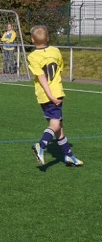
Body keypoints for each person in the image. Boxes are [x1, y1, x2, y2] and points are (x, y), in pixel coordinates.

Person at [29, 25, 83, 167]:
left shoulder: (32, 56)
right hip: (55, 95)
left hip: (44, 95)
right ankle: (41, 145)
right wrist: (52, 96)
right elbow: (59, 69)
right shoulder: (55, 51)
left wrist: (48, 95)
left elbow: (41, 77)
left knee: (58, 126)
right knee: (55, 124)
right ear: (48, 38)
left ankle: (69, 156)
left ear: (32, 40)